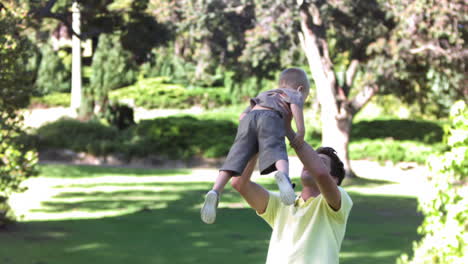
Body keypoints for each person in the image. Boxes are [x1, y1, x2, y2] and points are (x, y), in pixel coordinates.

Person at [231, 113, 353, 263]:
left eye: (318, 161)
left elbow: (320, 174)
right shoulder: (281, 204)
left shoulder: (339, 202)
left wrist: (287, 129)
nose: (309, 163)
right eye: (309, 159)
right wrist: (255, 137)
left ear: (334, 179)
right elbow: (239, 183)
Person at [201, 68, 310, 224]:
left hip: (249, 119)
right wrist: (301, 131)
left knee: (235, 158)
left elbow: (242, 116)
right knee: (276, 149)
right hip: (271, 117)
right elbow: (294, 109)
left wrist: (251, 137)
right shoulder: (294, 94)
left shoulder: (265, 94)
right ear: (300, 89)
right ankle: (283, 177)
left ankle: (215, 191)